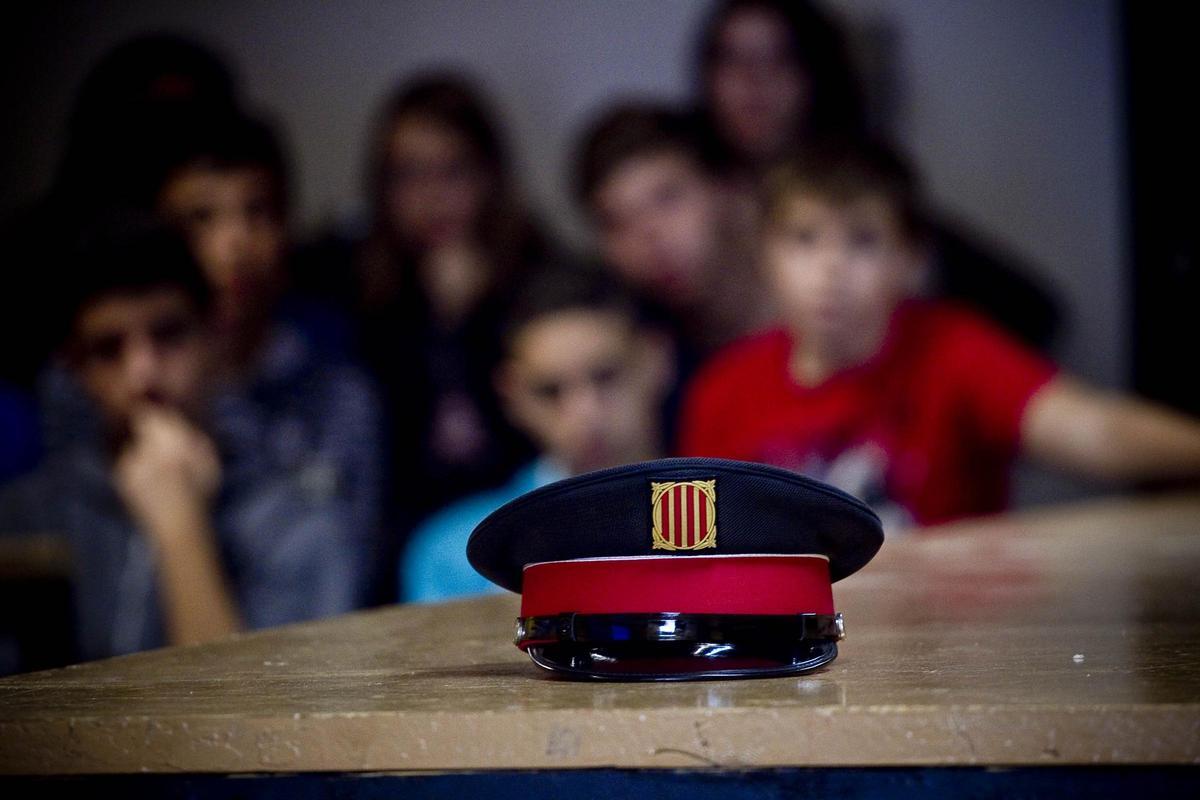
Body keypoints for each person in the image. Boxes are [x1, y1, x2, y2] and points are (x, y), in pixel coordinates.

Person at [678, 139, 1200, 530]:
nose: (830, 268)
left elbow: (1096, 432)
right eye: (804, 238)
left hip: (953, 645)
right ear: (765, 255)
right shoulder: (721, 390)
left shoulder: (953, 349)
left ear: (911, 260)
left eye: (862, 241)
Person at [0, 218, 383, 661]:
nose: (142, 373)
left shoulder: (298, 528)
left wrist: (180, 525)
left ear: (214, 336)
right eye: (109, 348)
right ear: (74, 368)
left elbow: (248, 722)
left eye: (168, 334)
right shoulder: (22, 519)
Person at [692, 0, 1060, 349]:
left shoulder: (860, 188)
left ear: (815, 76)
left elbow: (1029, 309)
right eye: (731, 59)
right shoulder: (688, 194)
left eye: (780, 60)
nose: (754, 80)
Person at [331, 74, 550, 542]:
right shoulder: (357, 291)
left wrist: (470, 322)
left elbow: (533, 444)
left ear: (489, 175)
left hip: (524, 528)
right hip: (403, 543)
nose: (432, 196)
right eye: (409, 174)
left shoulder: (538, 277)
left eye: (453, 171)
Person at [401, 266, 673, 602]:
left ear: (656, 359)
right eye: (550, 391)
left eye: (605, 376)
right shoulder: (463, 552)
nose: (584, 413)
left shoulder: (727, 514)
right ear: (513, 397)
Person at [573, 103, 775, 365]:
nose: (649, 237)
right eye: (617, 222)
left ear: (728, 190)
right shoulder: (649, 360)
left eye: (667, 198)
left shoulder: (832, 297)